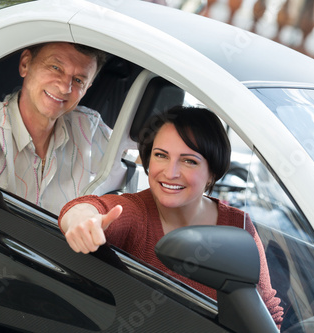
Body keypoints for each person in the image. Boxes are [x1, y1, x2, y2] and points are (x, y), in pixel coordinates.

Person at [58, 106, 284, 327]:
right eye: (161, 156)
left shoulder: (239, 226)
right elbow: (87, 208)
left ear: (212, 172)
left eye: (189, 161)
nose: (171, 172)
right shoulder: (136, 213)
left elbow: (266, 312)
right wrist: (80, 220)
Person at [0, 42, 110, 222]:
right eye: (55, 67)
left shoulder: (90, 127)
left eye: (79, 80)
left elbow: (132, 158)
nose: (65, 87)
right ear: (25, 64)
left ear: (87, 88)